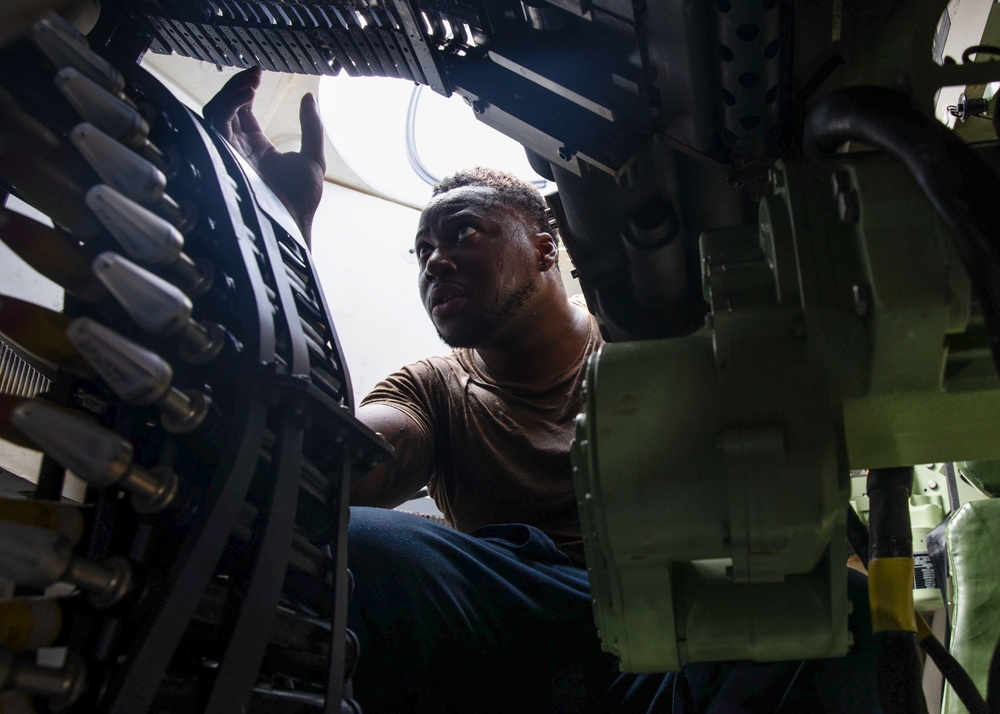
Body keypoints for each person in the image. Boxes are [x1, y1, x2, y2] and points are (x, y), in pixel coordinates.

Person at [204, 68, 881, 713]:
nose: (435, 259)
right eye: (422, 249)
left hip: (689, 632)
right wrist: (282, 233)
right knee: (360, 547)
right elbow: (324, 477)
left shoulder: (646, 331)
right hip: (531, 636)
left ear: (545, 244)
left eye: (463, 231)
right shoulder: (431, 387)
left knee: (853, 611)